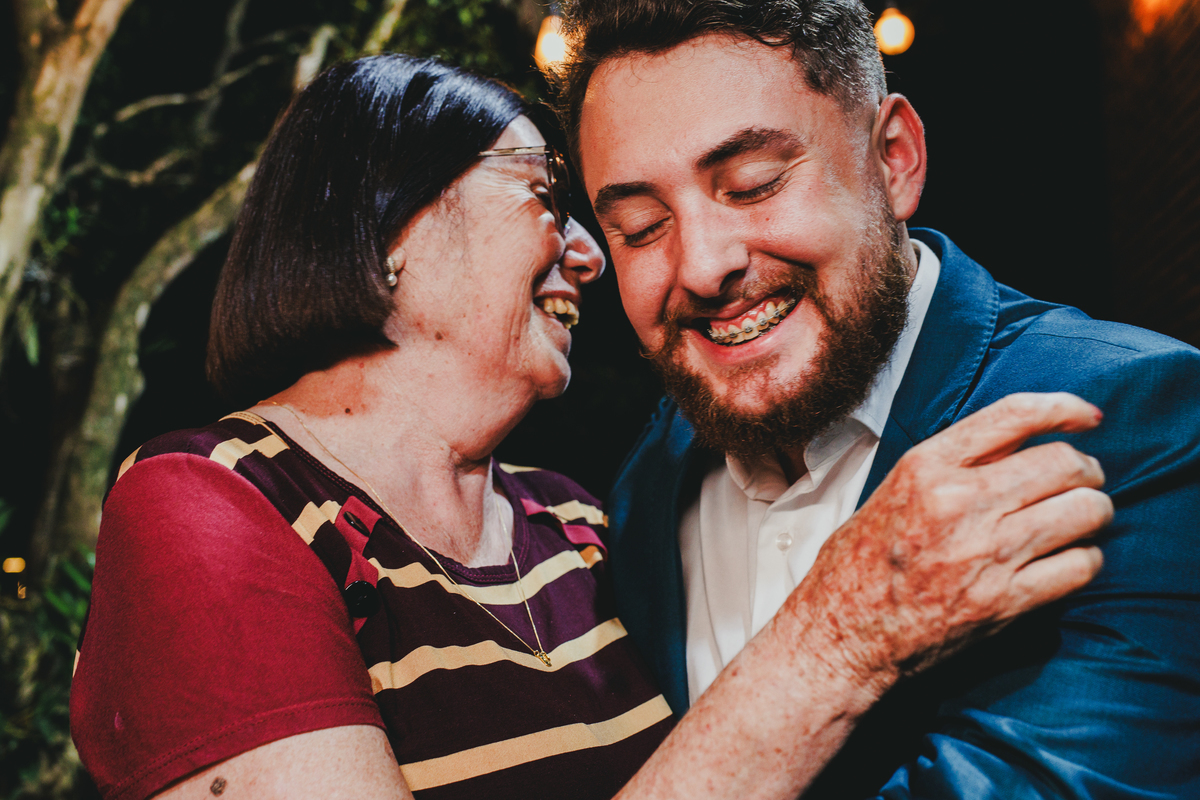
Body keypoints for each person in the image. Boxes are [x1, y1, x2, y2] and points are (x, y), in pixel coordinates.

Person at [70, 55, 1108, 800]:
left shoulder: (579, 523)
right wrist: (837, 635)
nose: (592, 254)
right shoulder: (210, 505)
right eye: (543, 197)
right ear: (389, 231)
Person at [554, 0, 1200, 797]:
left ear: (894, 160)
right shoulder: (648, 484)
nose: (702, 267)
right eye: (642, 226)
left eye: (753, 185)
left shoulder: (1137, 418)